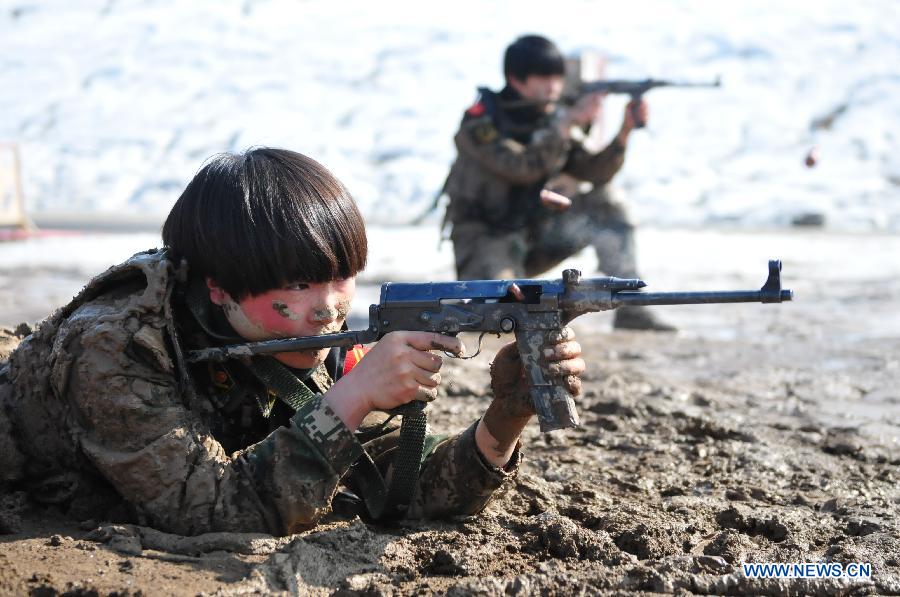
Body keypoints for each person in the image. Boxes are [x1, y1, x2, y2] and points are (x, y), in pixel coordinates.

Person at [0, 148, 585, 536]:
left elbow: (394, 484)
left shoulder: (309, 334)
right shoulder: (118, 349)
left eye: (339, 277)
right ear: (220, 289)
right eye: (299, 285)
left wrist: (504, 423)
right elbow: (210, 514)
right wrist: (349, 401)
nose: (328, 306)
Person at [443, 34, 674, 331]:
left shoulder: (551, 119)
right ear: (516, 79)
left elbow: (593, 171)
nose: (553, 86)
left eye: (557, 78)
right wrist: (564, 125)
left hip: (534, 236)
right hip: (487, 239)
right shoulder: (480, 122)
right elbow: (520, 167)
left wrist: (624, 132)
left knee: (606, 203)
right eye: (543, 78)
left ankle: (630, 306)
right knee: (497, 316)